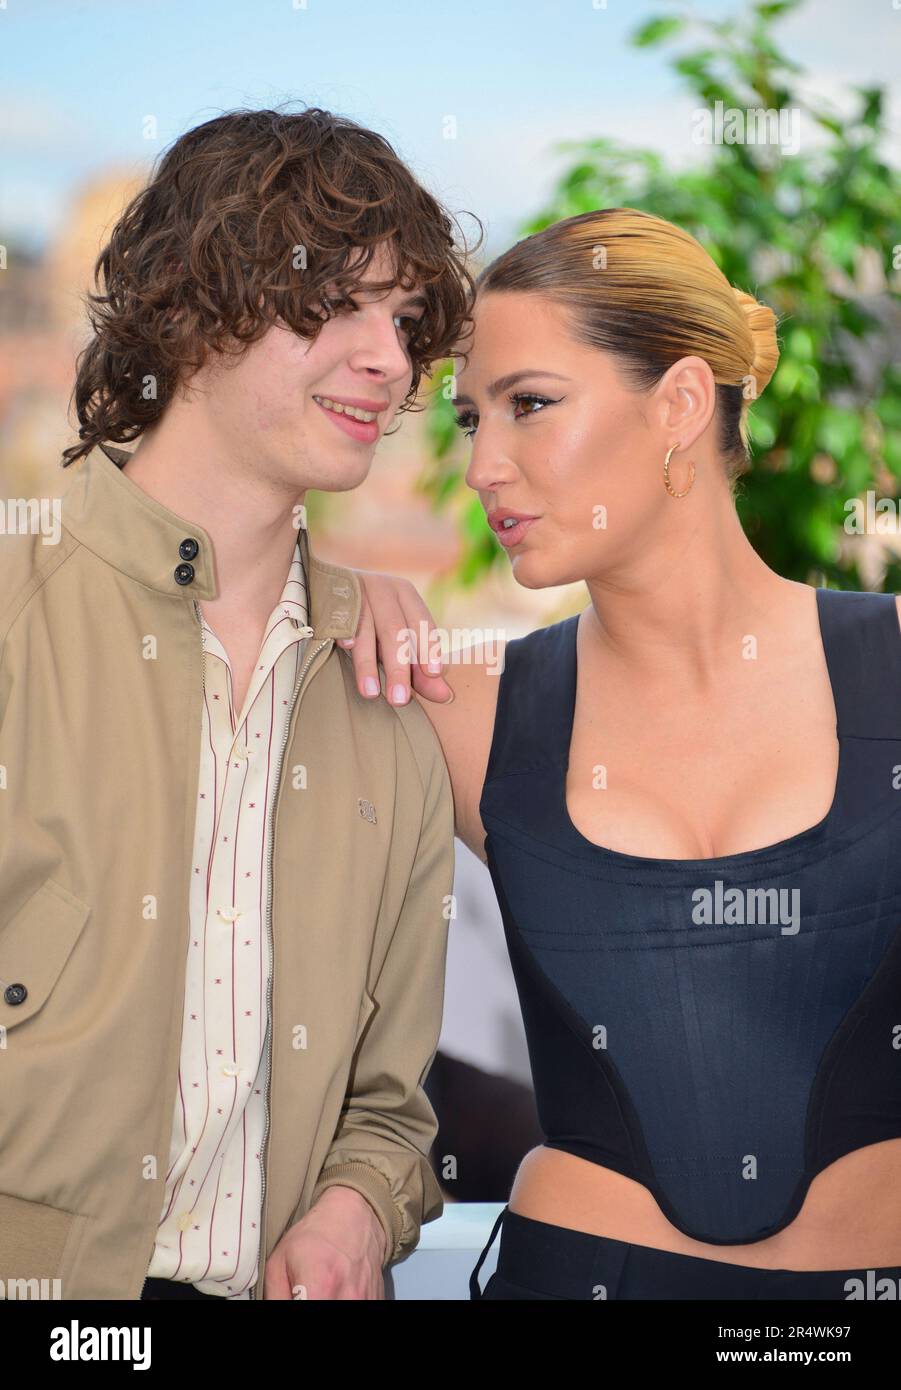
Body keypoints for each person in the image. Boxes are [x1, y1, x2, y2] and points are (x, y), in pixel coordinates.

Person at [339, 206, 901, 1300]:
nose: (485, 467)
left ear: (682, 404)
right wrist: (328, 588)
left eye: (530, 406)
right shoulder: (465, 709)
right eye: (469, 422)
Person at [0, 105, 477, 1300]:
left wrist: (362, 1207)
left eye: (406, 322)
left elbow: (391, 1104)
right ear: (193, 305)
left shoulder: (388, 693)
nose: (390, 359)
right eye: (339, 305)